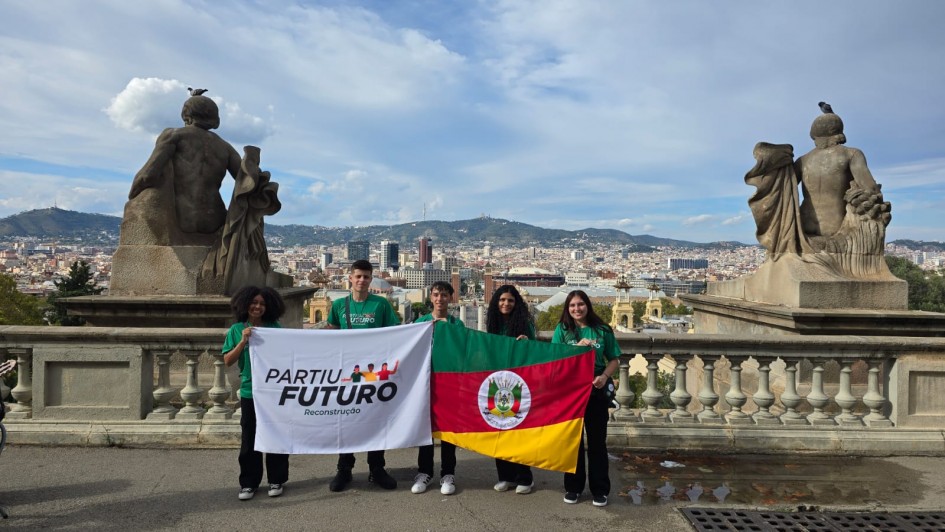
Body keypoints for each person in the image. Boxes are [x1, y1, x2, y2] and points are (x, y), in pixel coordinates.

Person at [325, 259, 401, 491]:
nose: (362, 280)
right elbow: (330, 334)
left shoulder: (381, 305)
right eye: (358, 276)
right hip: (347, 373)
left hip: (374, 373)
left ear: (370, 279)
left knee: (375, 419)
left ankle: (376, 468)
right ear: (350, 278)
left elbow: (395, 333)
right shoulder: (339, 305)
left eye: (366, 277)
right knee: (346, 420)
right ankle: (344, 468)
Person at [551, 290, 620, 508]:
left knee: (598, 441)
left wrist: (605, 376)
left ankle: (600, 489)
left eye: (580, 304)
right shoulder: (562, 330)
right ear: (567, 308)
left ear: (587, 306)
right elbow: (553, 358)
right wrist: (576, 348)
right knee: (573, 441)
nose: (577, 309)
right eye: (572, 305)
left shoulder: (602, 330)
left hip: (596, 387)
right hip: (570, 390)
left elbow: (614, 359)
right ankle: (573, 487)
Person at [222, 286, 288, 501]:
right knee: (249, 438)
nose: (258, 306)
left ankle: (276, 479)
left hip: (273, 391)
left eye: (262, 303)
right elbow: (228, 361)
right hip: (250, 391)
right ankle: (249, 482)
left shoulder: (274, 328)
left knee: (275, 435)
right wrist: (243, 341)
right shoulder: (236, 330)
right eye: (254, 302)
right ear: (245, 304)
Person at [411, 281, 464, 495]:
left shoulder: (456, 325)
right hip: (424, 383)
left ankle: (447, 473)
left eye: (443, 295)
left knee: (448, 431)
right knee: (425, 430)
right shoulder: (421, 322)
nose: (439, 299)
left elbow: (461, 351)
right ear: (430, 297)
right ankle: (424, 472)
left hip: (448, 383)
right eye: (436, 294)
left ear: (450, 298)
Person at [795, 111, 881, 241]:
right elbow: (870, 189)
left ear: (813, 135)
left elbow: (784, 190)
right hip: (836, 227)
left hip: (803, 224)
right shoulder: (851, 154)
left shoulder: (803, 160)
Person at [487, 284, 536, 494]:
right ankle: (505, 475)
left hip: (519, 383)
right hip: (497, 382)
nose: (505, 304)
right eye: (502, 300)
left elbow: (536, 353)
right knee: (499, 428)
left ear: (516, 304)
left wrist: (526, 343)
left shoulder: (525, 325)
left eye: (510, 301)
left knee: (518, 430)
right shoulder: (493, 324)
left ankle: (524, 476)